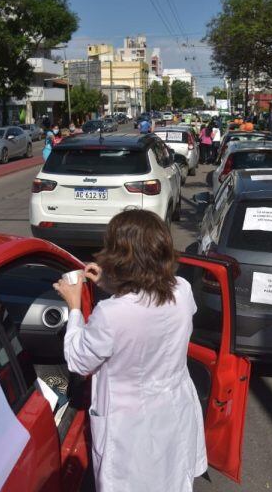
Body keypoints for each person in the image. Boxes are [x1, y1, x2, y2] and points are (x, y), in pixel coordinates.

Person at [53, 210, 207, 492]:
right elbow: (147, 305)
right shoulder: (182, 290)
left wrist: (74, 307)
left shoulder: (111, 314)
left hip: (131, 425)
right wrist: (109, 284)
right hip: (174, 408)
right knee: (172, 479)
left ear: (119, 257)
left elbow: (78, 360)